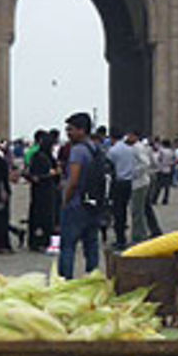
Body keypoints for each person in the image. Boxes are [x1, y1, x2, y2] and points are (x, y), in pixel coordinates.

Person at [57, 112, 100, 279]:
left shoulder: (78, 151)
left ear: (82, 130)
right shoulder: (95, 148)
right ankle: (93, 279)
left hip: (76, 205)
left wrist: (65, 201)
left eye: (71, 129)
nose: (68, 133)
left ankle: (65, 282)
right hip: (93, 203)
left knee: (67, 247)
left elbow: (73, 181)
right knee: (91, 246)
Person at [106, 129, 136, 249]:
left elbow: (109, 166)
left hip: (117, 183)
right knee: (123, 210)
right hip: (128, 183)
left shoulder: (113, 151)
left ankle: (120, 239)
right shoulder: (130, 149)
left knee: (117, 212)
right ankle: (122, 238)